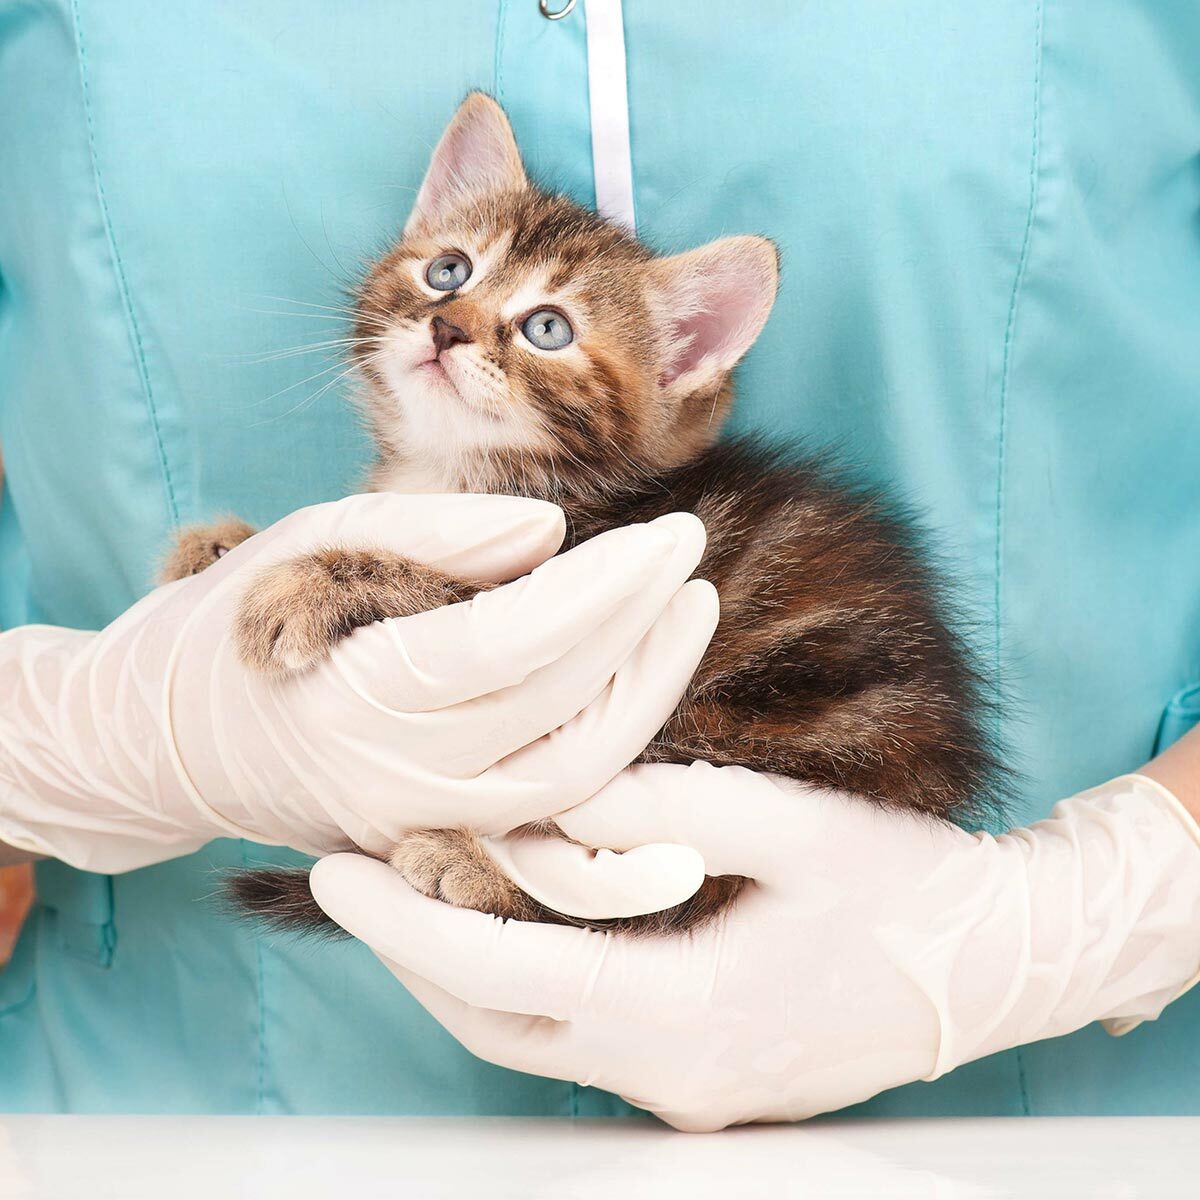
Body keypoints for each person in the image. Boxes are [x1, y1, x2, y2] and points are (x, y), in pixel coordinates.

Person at [2, 1, 1200, 1122]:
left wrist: (1089, 913)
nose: (459, 323)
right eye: (453, 279)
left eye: (538, 323)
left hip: (1016, 1123)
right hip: (179, 1123)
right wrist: (94, 735)